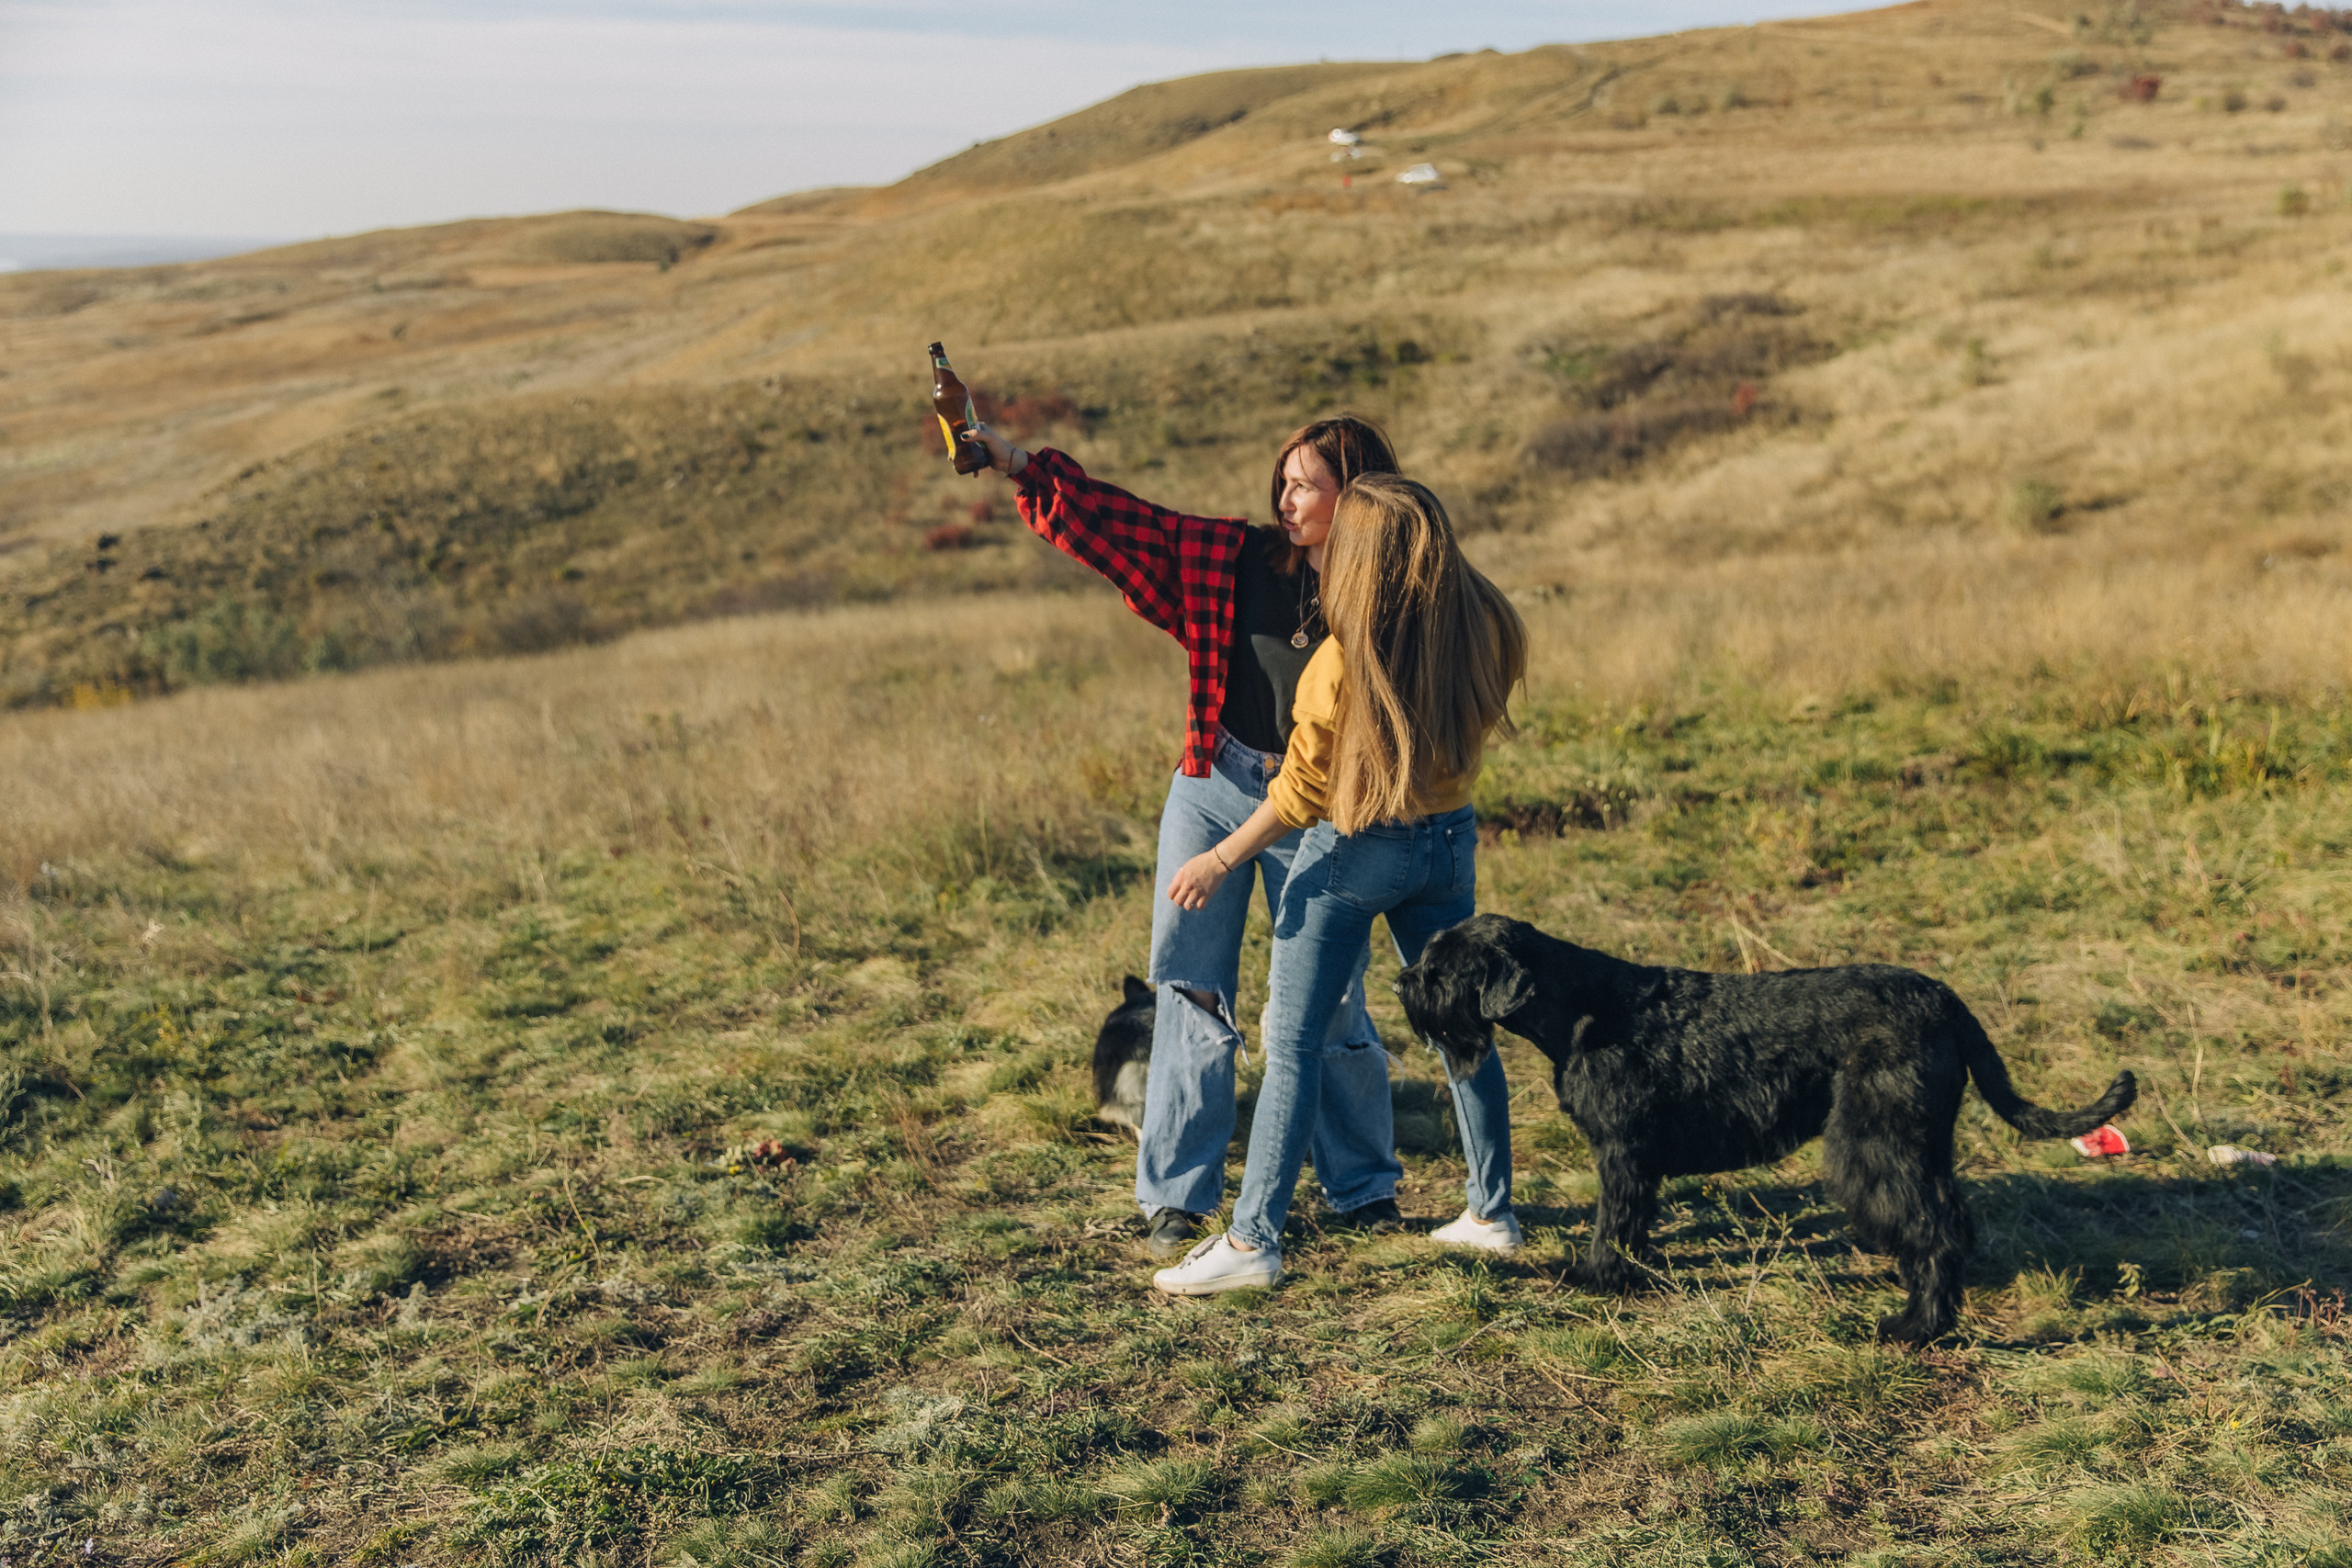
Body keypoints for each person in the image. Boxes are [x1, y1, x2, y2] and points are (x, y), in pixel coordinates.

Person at [972, 413, 1406, 1259]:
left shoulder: (1385, 595)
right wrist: (1016, 462)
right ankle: (1178, 1192)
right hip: (1215, 780)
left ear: (1354, 495)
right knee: (1189, 987)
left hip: (1312, 804)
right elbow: (1114, 521)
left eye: (1303, 484)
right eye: (1281, 479)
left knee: (1333, 993)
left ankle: (1362, 1188)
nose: (1283, 497)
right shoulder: (1231, 558)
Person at [1150, 474, 1529, 1294]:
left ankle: (1253, 1240)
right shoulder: (1487, 620)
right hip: (1449, 840)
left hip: (1357, 850)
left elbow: (1299, 795)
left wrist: (1220, 858)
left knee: (1290, 1039)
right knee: (1457, 1026)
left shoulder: (1339, 660)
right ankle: (1490, 1211)